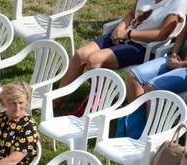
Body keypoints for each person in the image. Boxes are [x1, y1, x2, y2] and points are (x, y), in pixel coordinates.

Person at [56, 0, 185, 97]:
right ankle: (57, 100)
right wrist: (120, 28)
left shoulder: (178, 2)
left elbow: (161, 34)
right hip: (122, 35)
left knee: (94, 60)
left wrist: (128, 34)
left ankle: (102, 100)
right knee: (81, 54)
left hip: (142, 46)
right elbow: (130, 14)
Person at [126, 24, 187, 103]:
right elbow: (184, 32)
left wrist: (180, 65)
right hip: (178, 59)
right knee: (134, 75)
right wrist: (174, 54)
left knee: (152, 87)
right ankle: (138, 114)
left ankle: (153, 115)